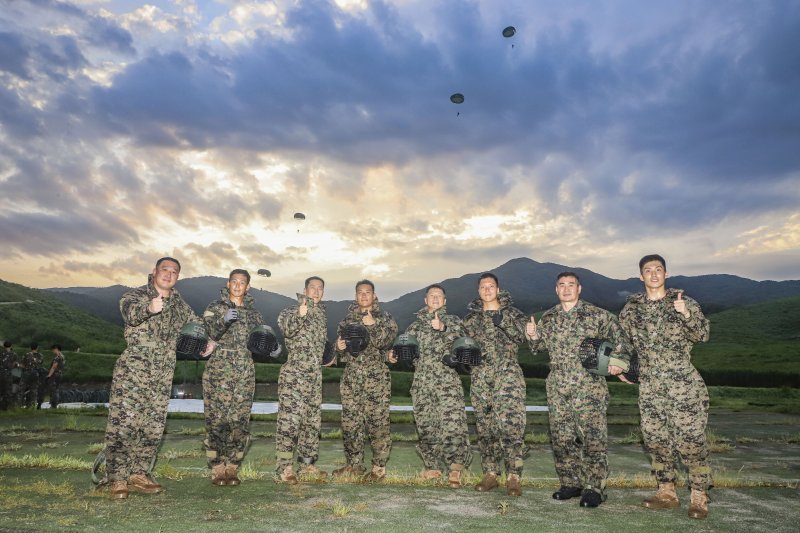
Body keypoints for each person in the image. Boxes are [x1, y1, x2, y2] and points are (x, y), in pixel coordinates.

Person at [102, 257, 215, 500]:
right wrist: (149, 308)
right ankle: (118, 478)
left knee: (153, 424)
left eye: (175, 271)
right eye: (165, 269)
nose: (169, 274)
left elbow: (195, 323)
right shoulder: (136, 295)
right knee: (125, 422)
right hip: (135, 368)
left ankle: (140, 473)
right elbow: (130, 314)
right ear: (154, 271)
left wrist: (208, 341)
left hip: (164, 371)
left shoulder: (179, 304)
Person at [526, 272, 631, 507]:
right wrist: (533, 336)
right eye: (561, 285)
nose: (566, 289)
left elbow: (621, 339)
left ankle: (595, 488)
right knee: (562, 437)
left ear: (579, 288)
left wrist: (618, 361)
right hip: (557, 383)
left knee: (592, 437)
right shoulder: (550, 317)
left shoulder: (597, 315)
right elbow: (539, 347)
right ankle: (570, 483)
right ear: (556, 289)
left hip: (589, 384)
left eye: (571, 285)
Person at [619, 254, 712, 520]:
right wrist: (623, 368)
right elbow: (623, 344)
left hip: (682, 384)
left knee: (691, 442)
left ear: (666, 273)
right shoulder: (631, 309)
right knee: (656, 441)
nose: (654, 274)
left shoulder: (683, 302)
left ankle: (699, 495)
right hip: (649, 387)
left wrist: (686, 315)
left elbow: (702, 334)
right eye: (648, 270)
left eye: (658, 269)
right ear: (641, 276)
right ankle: (667, 492)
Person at [390, 284, 471, 488]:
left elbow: (464, 341)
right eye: (431, 295)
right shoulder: (415, 327)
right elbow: (406, 350)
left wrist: (443, 328)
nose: (435, 298)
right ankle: (432, 467)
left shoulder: (453, 321)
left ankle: (455, 469)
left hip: (447, 383)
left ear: (445, 301)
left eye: (439, 296)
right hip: (422, 384)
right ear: (425, 300)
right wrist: (396, 354)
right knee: (426, 427)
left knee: (453, 425)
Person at [462, 273, 528, 496]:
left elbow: (524, 338)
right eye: (483, 287)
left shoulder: (513, 313)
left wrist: (504, 321)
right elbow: (465, 348)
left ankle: (513, 477)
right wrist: (463, 362)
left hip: (507, 376)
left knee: (511, 427)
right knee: (485, 427)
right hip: (480, 379)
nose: (487, 290)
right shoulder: (470, 320)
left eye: (491, 286)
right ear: (478, 291)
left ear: (498, 290)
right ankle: (490, 474)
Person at [202, 269, 265, 486]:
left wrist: (270, 348)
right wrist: (224, 320)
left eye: (243, 282)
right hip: (219, 367)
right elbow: (209, 331)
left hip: (245, 369)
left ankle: (233, 467)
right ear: (228, 284)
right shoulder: (214, 307)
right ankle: (218, 468)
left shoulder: (254, 314)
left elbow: (259, 342)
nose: (238, 285)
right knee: (217, 420)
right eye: (234, 281)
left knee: (240, 421)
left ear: (248, 287)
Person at [332, 280, 398, 482]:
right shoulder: (346, 321)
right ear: (355, 296)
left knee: (377, 423)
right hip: (352, 378)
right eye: (360, 292)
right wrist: (339, 348)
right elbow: (342, 356)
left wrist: (374, 325)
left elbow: (385, 342)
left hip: (376, 378)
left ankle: (378, 468)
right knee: (350, 424)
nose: (363, 296)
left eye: (367, 292)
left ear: (374, 295)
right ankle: (354, 465)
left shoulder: (385, 318)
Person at [275, 276, 332, 484]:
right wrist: (300, 315)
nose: (316, 291)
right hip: (294, 375)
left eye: (320, 288)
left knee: (311, 423)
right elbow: (287, 329)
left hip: (315, 376)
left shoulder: (321, 317)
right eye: (312, 288)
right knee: (289, 422)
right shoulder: (291, 310)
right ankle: (284, 467)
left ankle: (307, 465)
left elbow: (321, 349)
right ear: (305, 290)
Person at [21, 343, 46, 409]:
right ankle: (32, 405)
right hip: (35, 374)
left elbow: (23, 364)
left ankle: (19, 404)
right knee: (34, 389)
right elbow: (41, 363)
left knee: (22, 388)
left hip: (26, 373)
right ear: (37, 348)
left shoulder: (26, 355)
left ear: (31, 348)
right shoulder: (40, 355)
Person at [1, 341, 20, 410]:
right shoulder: (14, 354)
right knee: (9, 391)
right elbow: (16, 366)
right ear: (11, 346)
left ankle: (2, 407)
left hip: (2, 374)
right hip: (10, 374)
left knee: (2, 390)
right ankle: (8, 408)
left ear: (4, 346)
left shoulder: (1, 354)